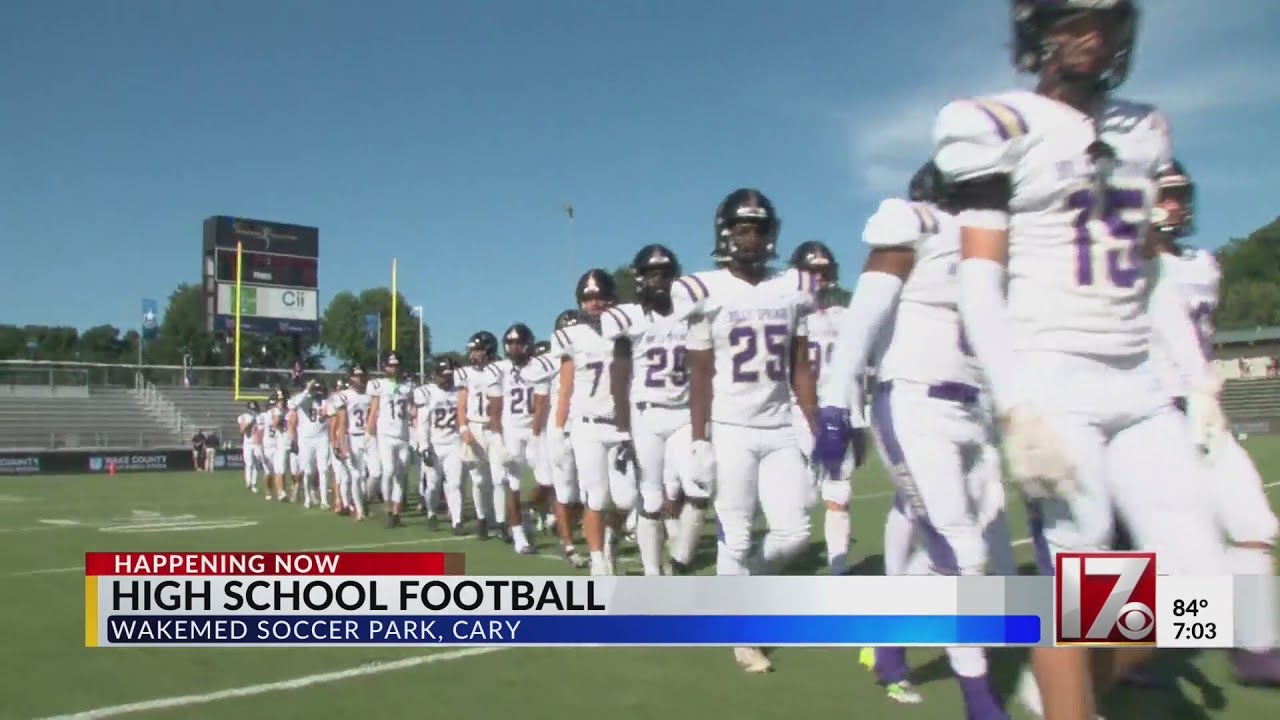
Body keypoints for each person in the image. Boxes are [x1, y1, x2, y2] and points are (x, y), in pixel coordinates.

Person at [931, 2, 1229, 717]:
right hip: (1052, 370)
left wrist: (1198, 379)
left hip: (1138, 378)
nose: (1090, 38)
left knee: (1204, 586)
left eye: (1106, 21)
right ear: (1039, 27)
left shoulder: (1146, 127)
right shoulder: (992, 122)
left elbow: (1149, 268)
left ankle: (1060, 691)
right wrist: (1015, 401)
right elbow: (978, 277)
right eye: (1073, 19)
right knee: (1084, 566)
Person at [814, 162, 1013, 718]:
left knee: (980, 550)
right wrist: (835, 401)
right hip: (916, 400)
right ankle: (980, 698)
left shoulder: (998, 241)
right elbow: (865, 313)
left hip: (978, 408)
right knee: (962, 553)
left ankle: (890, 637)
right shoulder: (914, 221)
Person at [1143, 161, 1280, 684]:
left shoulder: (1203, 264)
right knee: (1151, 552)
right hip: (1145, 415)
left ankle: (1254, 646)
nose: (1175, 203)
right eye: (1164, 193)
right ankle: (1110, 658)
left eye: (1180, 193)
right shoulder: (1123, 263)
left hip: (1201, 412)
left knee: (1254, 524)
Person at [673, 188, 818, 673]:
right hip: (731, 428)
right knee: (734, 537)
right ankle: (742, 634)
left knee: (795, 532)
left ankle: (742, 584)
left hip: (778, 428)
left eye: (757, 227)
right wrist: (698, 438)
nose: (750, 236)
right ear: (724, 231)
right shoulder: (702, 289)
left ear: (771, 233)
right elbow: (699, 372)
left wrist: (813, 423)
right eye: (742, 227)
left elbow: (800, 366)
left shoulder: (793, 286)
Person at [604, 244, 699, 575]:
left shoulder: (691, 312)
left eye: (665, 273)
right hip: (645, 414)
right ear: (640, 278)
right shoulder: (628, 317)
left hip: (685, 412)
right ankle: (652, 574)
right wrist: (621, 427)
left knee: (699, 484)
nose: (659, 280)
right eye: (651, 273)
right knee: (651, 498)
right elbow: (619, 374)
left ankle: (682, 557)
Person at [550, 269, 635, 576]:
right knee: (596, 496)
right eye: (588, 298)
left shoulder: (627, 330)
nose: (595, 303)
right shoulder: (570, 336)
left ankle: (610, 537)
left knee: (626, 498)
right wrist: (559, 430)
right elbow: (565, 388)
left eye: (600, 297)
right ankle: (598, 559)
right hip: (588, 426)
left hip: (622, 424)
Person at [455, 331, 504, 539]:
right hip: (475, 425)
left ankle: (501, 523)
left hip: (494, 428)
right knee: (478, 480)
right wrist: (463, 428)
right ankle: (482, 519)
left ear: (487, 350)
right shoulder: (465, 373)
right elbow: (462, 404)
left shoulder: (502, 369)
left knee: (499, 478)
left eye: (476, 350)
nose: (472, 354)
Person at [367, 352, 414, 527]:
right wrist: (369, 432)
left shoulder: (407, 386)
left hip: (403, 434)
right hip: (385, 434)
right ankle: (387, 507)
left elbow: (410, 409)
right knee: (387, 471)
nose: (393, 369)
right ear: (384, 367)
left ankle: (396, 512)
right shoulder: (378, 385)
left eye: (396, 365)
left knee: (401, 474)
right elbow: (373, 410)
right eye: (390, 365)